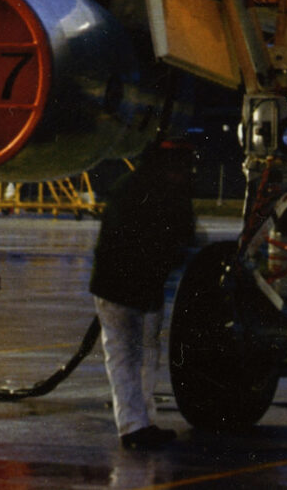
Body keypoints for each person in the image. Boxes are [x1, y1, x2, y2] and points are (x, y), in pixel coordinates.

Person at [90, 141, 199, 450]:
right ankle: (133, 427)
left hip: (133, 288)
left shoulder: (134, 186)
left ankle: (142, 422)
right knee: (128, 356)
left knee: (140, 356)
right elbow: (169, 240)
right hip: (126, 289)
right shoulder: (159, 193)